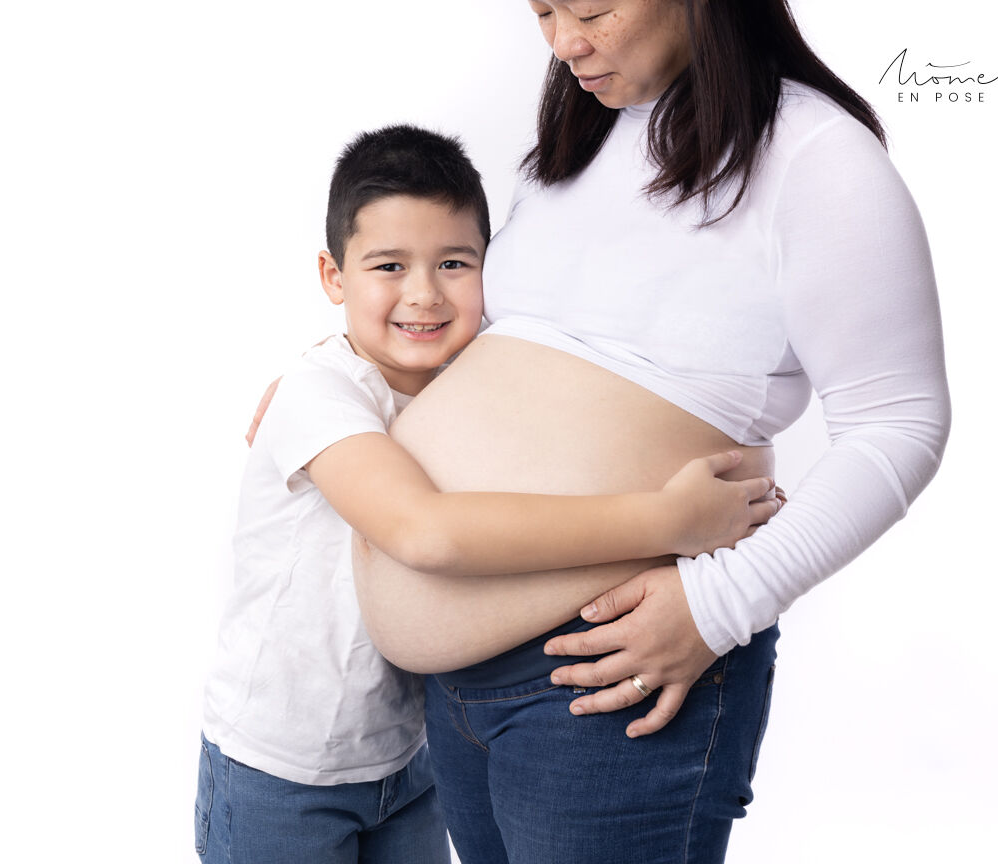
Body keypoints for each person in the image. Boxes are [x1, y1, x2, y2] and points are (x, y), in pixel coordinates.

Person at [340, 2, 952, 863]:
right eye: (543, 10)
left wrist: (718, 604)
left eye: (592, 10)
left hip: (611, 672)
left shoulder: (819, 158)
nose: (564, 44)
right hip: (454, 694)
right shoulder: (577, 144)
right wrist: (336, 387)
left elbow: (901, 423)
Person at [196, 124, 779, 864]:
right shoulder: (319, 395)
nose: (423, 294)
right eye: (388, 266)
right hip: (282, 767)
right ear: (333, 277)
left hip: (407, 759)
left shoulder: (469, 372)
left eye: (453, 263)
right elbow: (423, 531)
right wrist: (667, 521)